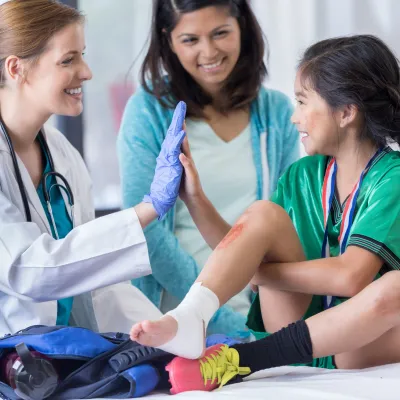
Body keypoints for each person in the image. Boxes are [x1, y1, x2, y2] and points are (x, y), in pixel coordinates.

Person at [130, 34, 400, 393]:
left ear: (347, 112)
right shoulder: (302, 175)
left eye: (303, 103)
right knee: (262, 214)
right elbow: (240, 246)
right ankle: (191, 316)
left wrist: (261, 273)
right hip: (291, 323)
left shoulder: (392, 178)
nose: (294, 117)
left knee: (395, 288)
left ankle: (245, 359)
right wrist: (195, 199)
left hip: (356, 344)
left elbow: (351, 277)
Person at [0, 0, 187, 336]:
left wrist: (172, 333)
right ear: (16, 69)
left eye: (82, 55)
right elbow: (27, 271)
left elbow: (95, 282)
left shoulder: (62, 154)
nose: (86, 72)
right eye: (68, 60)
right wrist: (147, 209)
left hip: (65, 362)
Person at [117, 0, 299, 337]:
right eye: (190, 40)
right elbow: (145, 229)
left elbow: (287, 225)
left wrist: (259, 327)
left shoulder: (277, 112)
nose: (209, 51)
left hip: (262, 316)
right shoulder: (147, 111)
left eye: (220, 33)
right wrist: (216, 315)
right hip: (174, 316)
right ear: (167, 39)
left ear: (242, 26)